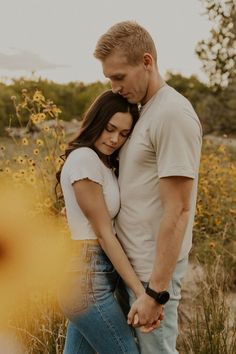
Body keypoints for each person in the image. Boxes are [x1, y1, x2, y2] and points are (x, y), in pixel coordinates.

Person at [94, 21, 202, 353]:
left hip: (151, 275)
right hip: (133, 269)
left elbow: (179, 209)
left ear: (146, 62)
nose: (113, 87)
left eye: (119, 77)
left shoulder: (172, 114)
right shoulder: (146, 111)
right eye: (109, 78)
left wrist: (155, 292)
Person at [56, 90, 156, 354]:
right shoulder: (85, 159)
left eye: (124, 134)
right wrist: (141, 292)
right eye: (110, 128)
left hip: (91, 276)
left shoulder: (101, 163)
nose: (115, 139)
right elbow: (103, 233)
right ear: (97, 121)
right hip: (87, 279)